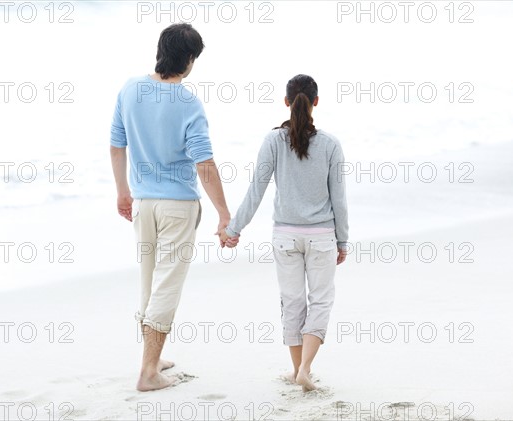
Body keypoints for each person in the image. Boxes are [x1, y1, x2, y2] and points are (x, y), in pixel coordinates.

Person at [110, 23, 232, 392]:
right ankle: (149, 372)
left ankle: (153, 358)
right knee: (166, 286)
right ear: (190, 60)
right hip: (177, 206)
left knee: (149, 281)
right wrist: (225, 214)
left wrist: (123, 192)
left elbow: (117, 145)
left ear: (160, 49)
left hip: (143, 203)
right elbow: (204, 165)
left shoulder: (130, 89)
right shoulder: (188, 102)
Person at [220, 74, 349, 392]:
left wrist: (233, 229)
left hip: (285, 237)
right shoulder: (331, 144)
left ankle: (297, 371)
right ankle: (305, 369)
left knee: (291, 303)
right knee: (320, 301)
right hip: (321, 236)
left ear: (286, 102)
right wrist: (342, 240)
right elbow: (339, 200)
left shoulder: (273, 140)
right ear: (316, 102)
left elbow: (256, 190)